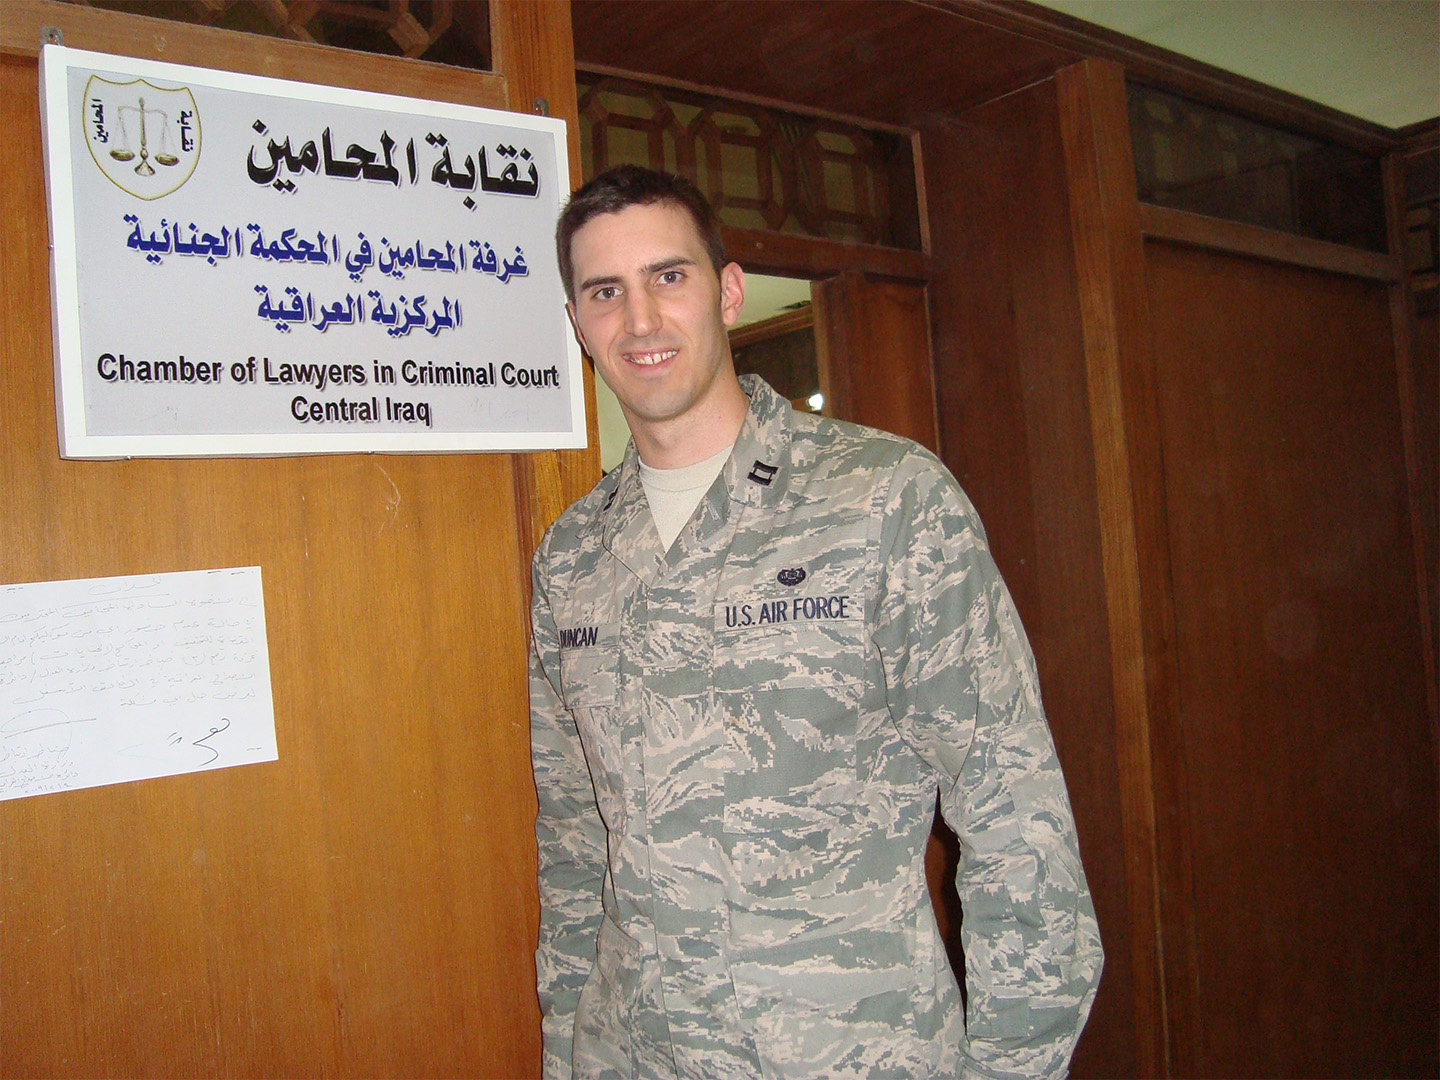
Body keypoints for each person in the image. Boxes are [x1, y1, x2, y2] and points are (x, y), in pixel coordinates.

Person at [529, 164, 1102, 1080]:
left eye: (668, 277)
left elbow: (1016, 818)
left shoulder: (884, 500)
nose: (639, 321)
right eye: (606, 291)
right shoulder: (572, 558)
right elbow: (574, 842)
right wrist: (566, 1056)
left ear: (727, 289)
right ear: (577, 321)